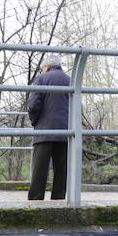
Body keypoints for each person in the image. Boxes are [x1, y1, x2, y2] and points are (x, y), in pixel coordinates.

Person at [26, 55, 71, 200]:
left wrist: (35, 122)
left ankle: (36, 199)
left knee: (40, 169)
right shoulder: (70, 80)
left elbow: (33, 104)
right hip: (65, 131)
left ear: (47, 66)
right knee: (61, 169)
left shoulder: (41, 79)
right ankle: (58, 198)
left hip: (45, 130)